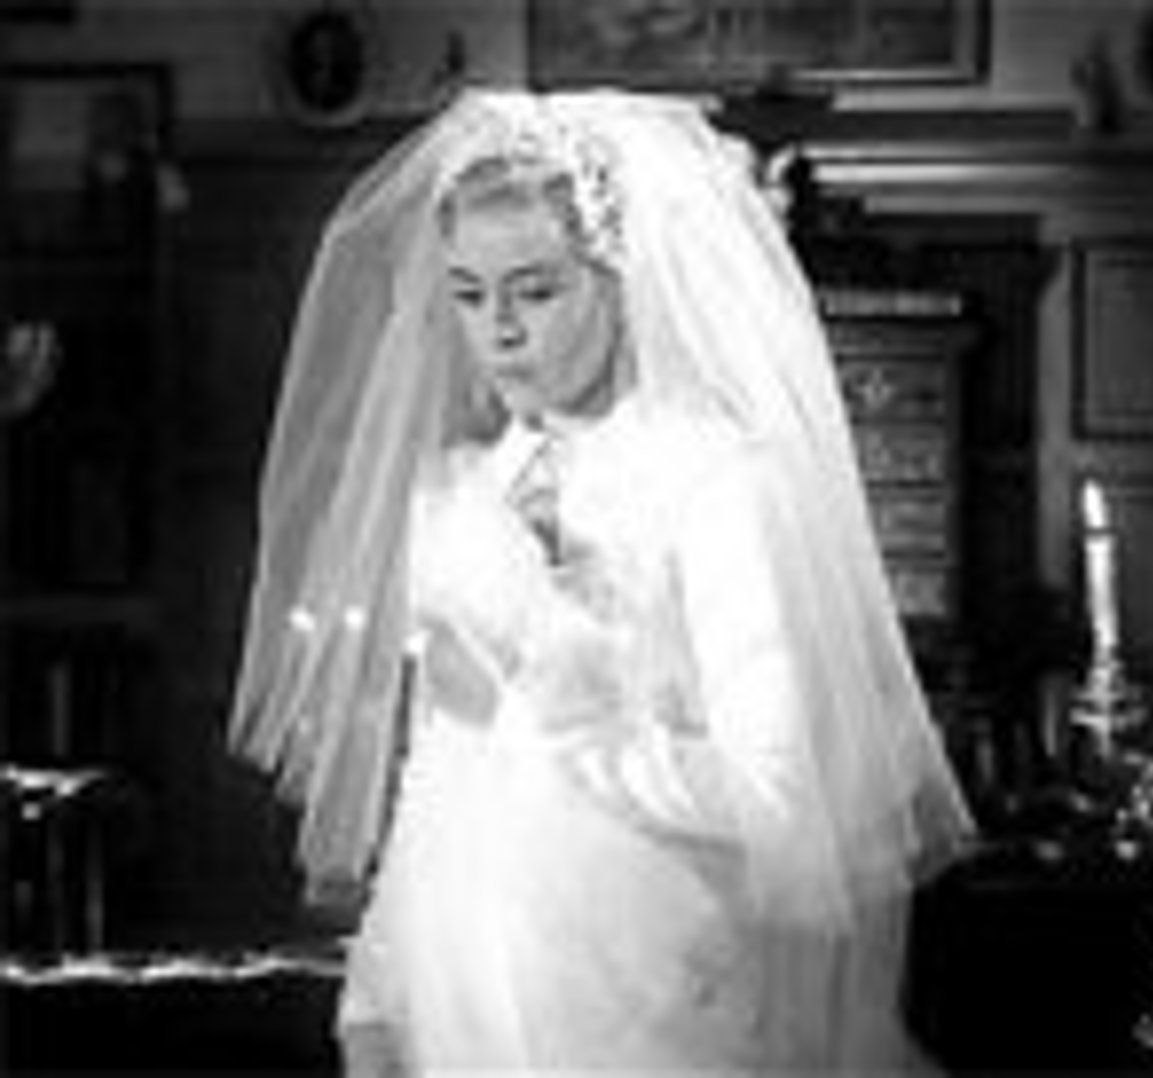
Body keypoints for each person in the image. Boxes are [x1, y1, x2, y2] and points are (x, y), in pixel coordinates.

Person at [227, 89, 975, 1075]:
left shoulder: (717, 481)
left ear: (620, 280)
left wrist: (579, 736)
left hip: (655, 991)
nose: (497, 331)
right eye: (467, 294)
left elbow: (784, 804)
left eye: (535, 291)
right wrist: (381, 984)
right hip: (465, 989)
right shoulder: (459, 490)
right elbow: (441, 760)